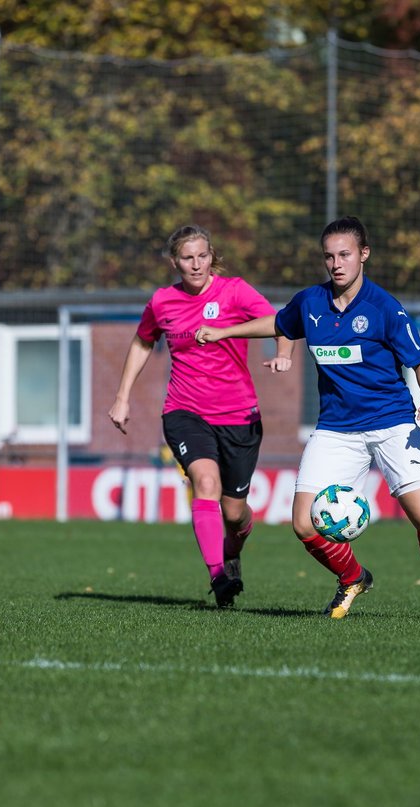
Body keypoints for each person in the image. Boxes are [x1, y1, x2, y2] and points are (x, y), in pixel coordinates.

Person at [196, 216, 420, 621]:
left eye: (345, 254)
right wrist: (224, 333)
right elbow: (279, 323)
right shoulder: (311, 302)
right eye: (329, 256)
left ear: (364, 255)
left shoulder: (384, 309)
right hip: (337, 429)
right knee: (304, 525)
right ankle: (353, 577)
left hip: (393, 422)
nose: (336, 263)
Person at [107, 224, 279, 608]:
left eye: (202, 255)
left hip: (239, 415)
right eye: (188, 257)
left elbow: (275, 321)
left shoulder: (234, 290)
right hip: (185, 411)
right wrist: (122, 397)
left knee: (234, 514)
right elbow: (142, 342)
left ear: (211, 255)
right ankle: (218, 576)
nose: (196, 264)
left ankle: (231, 554)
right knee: (204, 482)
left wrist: (280, 352)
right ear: (175, 261)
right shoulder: (163, 301)